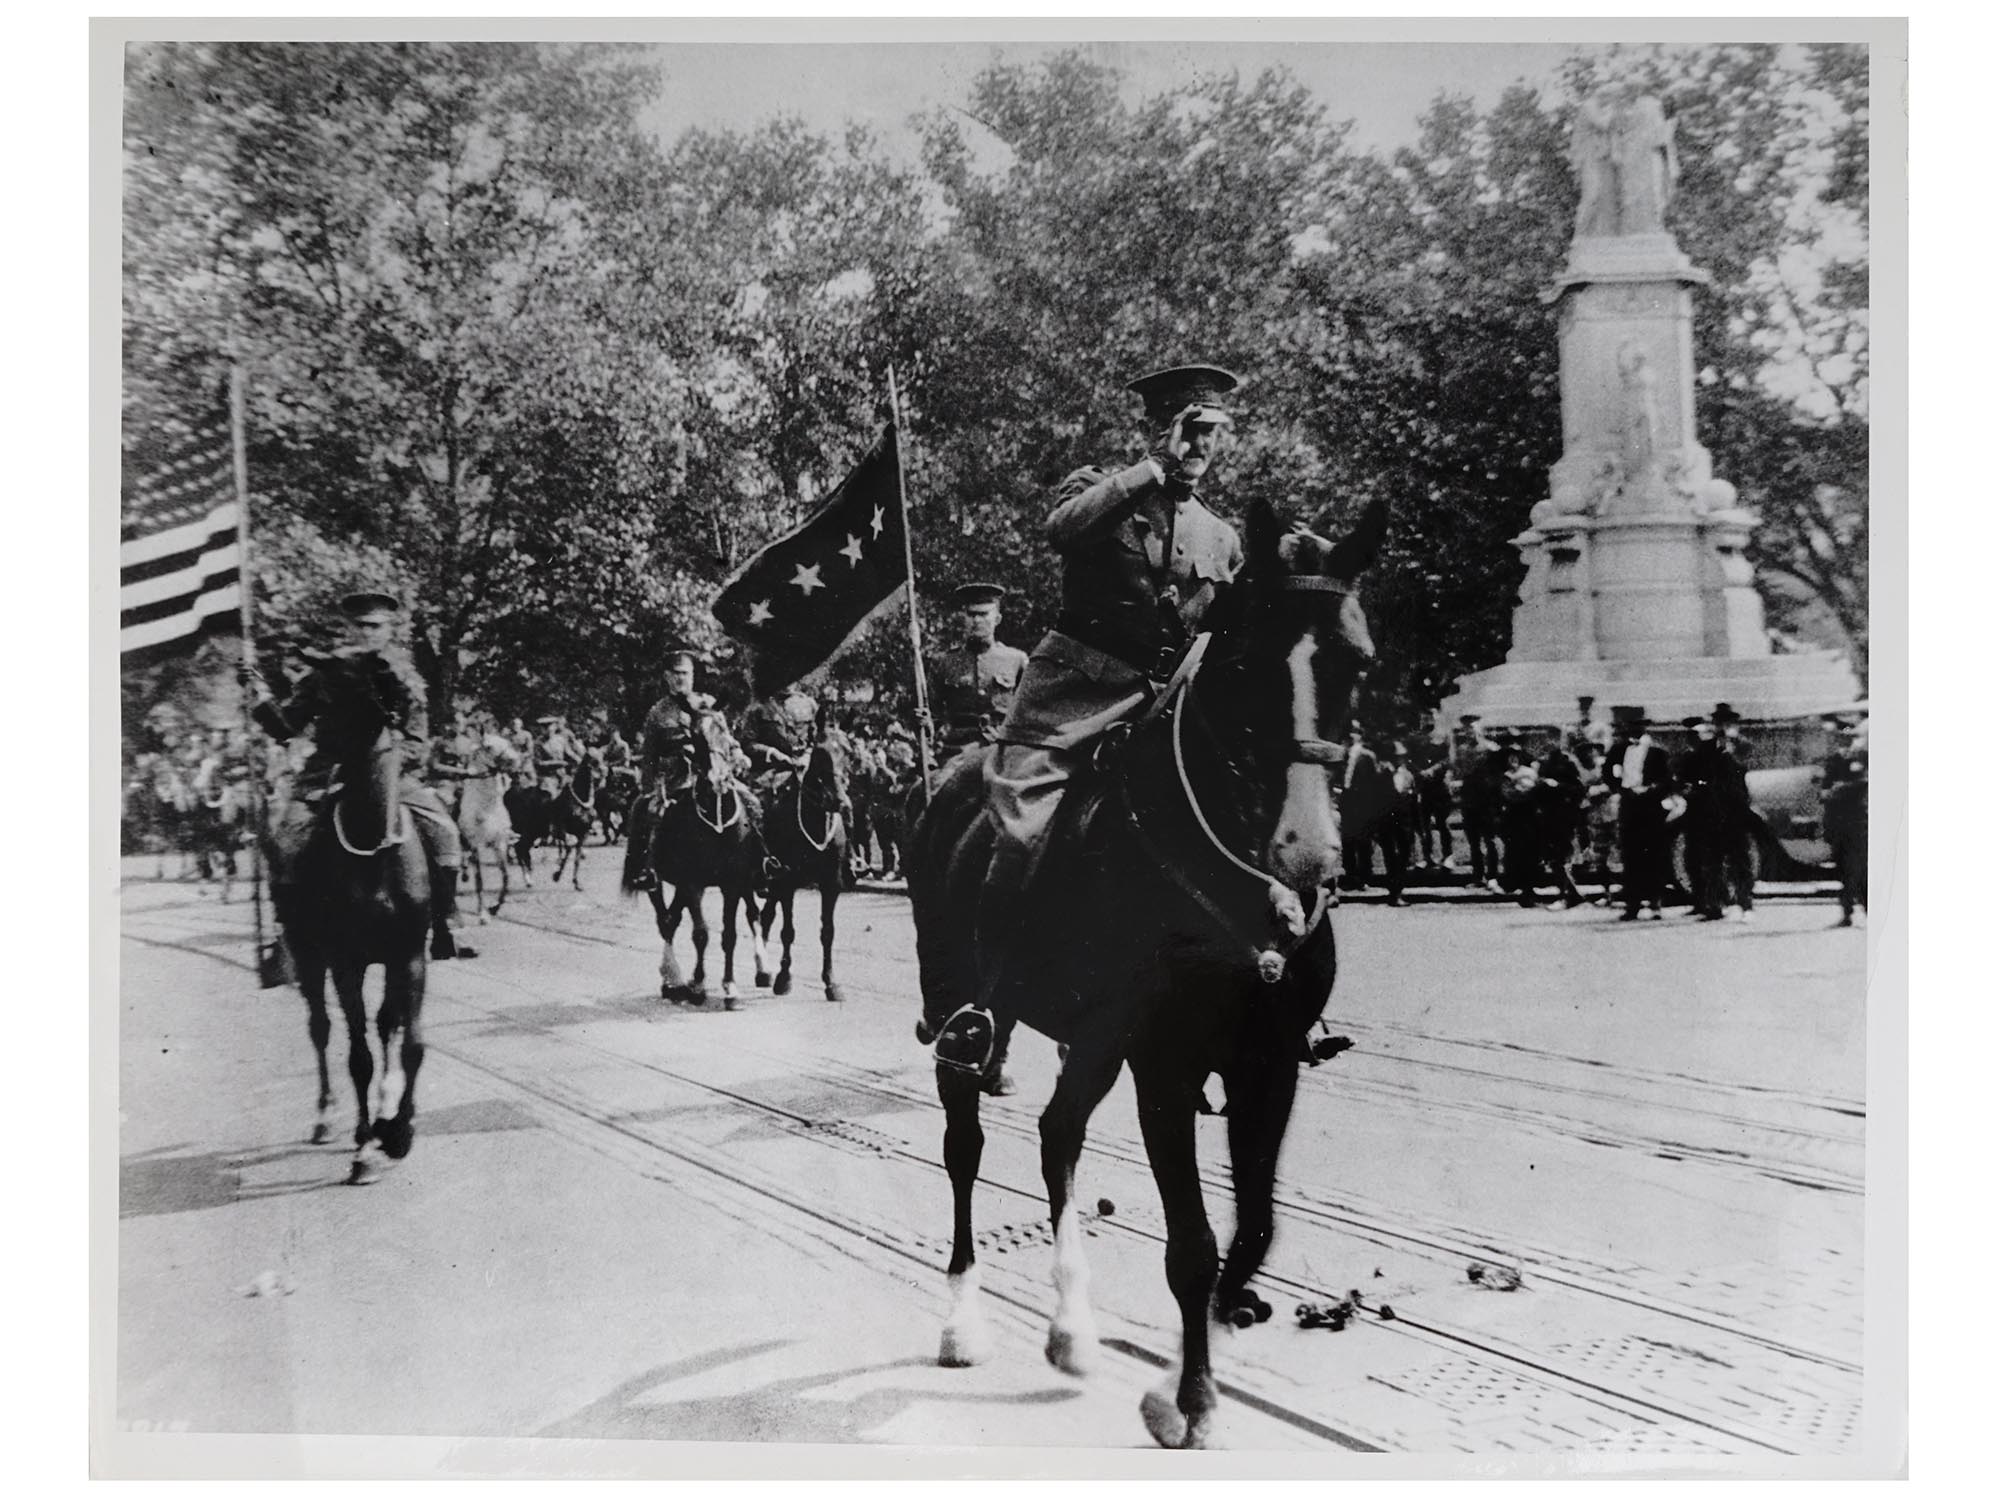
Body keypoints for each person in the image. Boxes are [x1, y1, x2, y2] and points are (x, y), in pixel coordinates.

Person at [934, 363, 1244, 1077]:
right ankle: (984, 1005)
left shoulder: (1221, 539)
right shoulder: (1099, 490)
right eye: (1189, 431)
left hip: (1165, 706)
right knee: (1018, 836)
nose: (1200, 448)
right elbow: (1060, 530)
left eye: (1212, 435)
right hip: (1070, 704)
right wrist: (1150, 469)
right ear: (1158, 428)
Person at [244, 590, 476, 959]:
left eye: (375, 626)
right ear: (348, 629)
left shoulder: (405, 679)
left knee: (445, 831)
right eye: (360, 626)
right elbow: (287, 727)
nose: (368, 633)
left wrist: (390, 761)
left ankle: (445, 923)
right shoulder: (322, 676)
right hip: (326, 776)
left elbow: (417, 741)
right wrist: (258, 699)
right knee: (287, 837)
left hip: (390, 775)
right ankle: (287, 932)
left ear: (389, 629)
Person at [621, 651, 713, 893]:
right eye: (677, 674)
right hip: (673, 779)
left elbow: (724, 739)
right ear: (667, 677)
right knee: (651, 814)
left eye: (686, 673)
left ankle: (760, 864)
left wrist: (737, 755)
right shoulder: (658, 712)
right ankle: (648, 870)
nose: (682, 678)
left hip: (711, 774)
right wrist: (649, 789)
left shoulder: (707, 704)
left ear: (693, 676)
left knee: (750, 802)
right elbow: (649, 755)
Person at [926, 582, 1030, 758]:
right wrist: (926, 723)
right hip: (958, 752)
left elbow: (1029, 712)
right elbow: (931, 715)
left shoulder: (1016, 660)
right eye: (971, 614)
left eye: (983, 614)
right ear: (964, 618)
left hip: (1004, 750)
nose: (976, 620)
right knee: (939, 784)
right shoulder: (944, 663)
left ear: (997, 619)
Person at [1607, 708, 1673, 920]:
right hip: (1629, 805)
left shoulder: (1657, 751)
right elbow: (1608, 772)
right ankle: (1632, 904)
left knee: (1653, 854)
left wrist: (1649, 790)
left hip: (1650, 807)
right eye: (1630, 726)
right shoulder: (1619, 750)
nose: (1634, 730)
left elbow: (1667, 780)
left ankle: (1655, 903)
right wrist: (1620, 789)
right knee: (1631, 855)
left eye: (1638, 726)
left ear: (1645, 727)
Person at [1709, 704, 1757, 921]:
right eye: (1719, 723)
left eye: (1727, 723)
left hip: (1736, 809)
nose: (1722, 727)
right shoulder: (1711, 748)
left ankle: (1746, 903)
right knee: (1716, 859)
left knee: (1740, 859)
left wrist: (1731, 748)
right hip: (1715, 810)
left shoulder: (1742, 745)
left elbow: (1745, 765)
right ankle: (1724, 902)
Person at [1676, 715, 1725, 920]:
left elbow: (1716, 782)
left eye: (1696, 735)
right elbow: (1681, 779)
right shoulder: (1688, 758)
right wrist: (1684, 787)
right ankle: (1699, 902)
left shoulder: (1715, 757)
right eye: (1690, 736)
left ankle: (1715, 905)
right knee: (1693, 859)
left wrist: (1698, 787)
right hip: (1693, 813)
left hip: (1712, 813)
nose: (1692, 740)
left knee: (1712, 861)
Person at [1822, 715, 1867, 926]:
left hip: (1856, 821)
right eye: (1842, 739)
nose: (1845, 743)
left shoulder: (1861, 759)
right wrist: (1830, 792)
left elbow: (1862, 784)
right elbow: (1823, 791)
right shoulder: (1832, 761)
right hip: (1837, 822)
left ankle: (1869, 910)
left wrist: (1838, 790)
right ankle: (1847, 912)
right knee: (1842, 868)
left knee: (1861, 867)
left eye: (1850, 738)